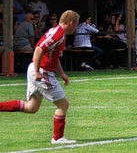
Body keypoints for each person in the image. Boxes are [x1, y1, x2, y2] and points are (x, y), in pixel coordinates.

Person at [0, 10, 80, 144]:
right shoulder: (58, 33)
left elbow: (54, 56)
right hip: (42, 72)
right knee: (63, 104)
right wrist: (37, 71)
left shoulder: (59, 33)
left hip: (37, 69)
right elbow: (38, 49)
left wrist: (62, 74)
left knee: (31, 107)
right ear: (71, 23)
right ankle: (57, 138)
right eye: (76, 25)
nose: (76, 28)